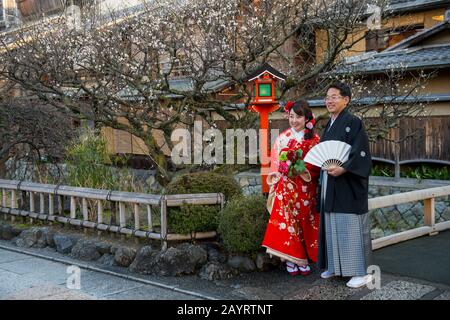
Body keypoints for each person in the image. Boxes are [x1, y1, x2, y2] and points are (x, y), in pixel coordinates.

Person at [317, 82, 374, 288]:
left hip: (348, 182)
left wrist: (345, 168)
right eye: (327, 97)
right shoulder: (329, 125)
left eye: (334, 96)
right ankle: (335, 266)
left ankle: (363, 272)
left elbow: (362, 153)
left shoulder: (353, 122)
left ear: (346, 100)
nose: (329, 100)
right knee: (332, 223)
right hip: (330, 182)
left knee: (350, 225)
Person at [262, 100, 321, 276]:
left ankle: (303, 257)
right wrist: (283, 169)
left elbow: (318, 164)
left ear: (307, 118)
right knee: (287, 223)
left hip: (306, 187)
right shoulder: (283, 138)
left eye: (298, 117)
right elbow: (274, 162)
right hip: (286, 186)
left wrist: (302, 169)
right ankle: (291, 259)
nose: (294, 120)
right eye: (291, 116)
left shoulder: (314, 139)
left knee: (305, 221)